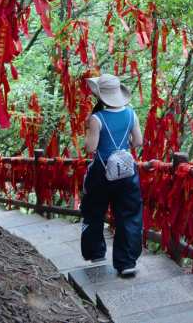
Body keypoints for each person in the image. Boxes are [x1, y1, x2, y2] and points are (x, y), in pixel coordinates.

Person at [81, 73, 143, 277]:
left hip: (101, 171)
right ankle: (126, 263)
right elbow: (138, 142)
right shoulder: (131, 114)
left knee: (94, 211)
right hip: (126, 171)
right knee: (129, 215)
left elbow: (91, 147)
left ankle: (96, 252)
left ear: (100, 96)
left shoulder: (96, 119)